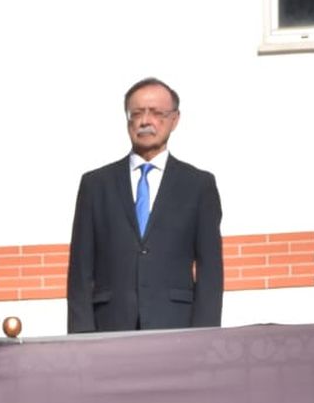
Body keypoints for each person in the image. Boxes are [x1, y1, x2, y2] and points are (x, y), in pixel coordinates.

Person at [66, 79, 223, 334]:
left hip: (177, 328)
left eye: (156, 113)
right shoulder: (95, 185)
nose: (145, 121)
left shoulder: (198, 185)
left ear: (175, 119)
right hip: (110, 328)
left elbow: (210, 272)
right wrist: (82, 339)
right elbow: (80, 272)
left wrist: (205, 338)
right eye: (136, 113)